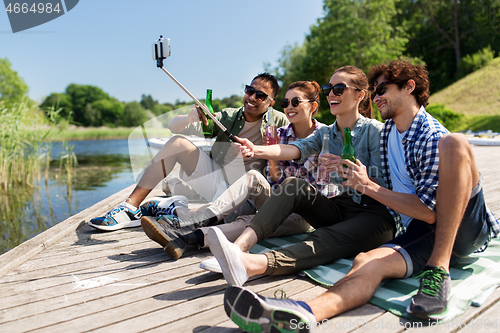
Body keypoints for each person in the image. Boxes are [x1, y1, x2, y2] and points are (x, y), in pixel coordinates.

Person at [221, 60, 500, 333]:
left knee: (456, 142)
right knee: (364, 262)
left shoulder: (414, 133)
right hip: (420, 229)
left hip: (463, 229)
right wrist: (256, 150)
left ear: (409, 87)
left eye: (382, 90)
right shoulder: (389, 131)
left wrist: (365, 182)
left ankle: (437, 270)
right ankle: (304, 312)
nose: (377, 97)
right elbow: (296, 148)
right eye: (375, 90)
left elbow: (428, 210)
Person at [206, 65, 397, 287]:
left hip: (374, 214)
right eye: (329, 89)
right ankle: (238, 249)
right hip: (342, 206)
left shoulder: (376, 131)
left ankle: (251, 265)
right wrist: (255, 149)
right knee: (293, 186)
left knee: (322, 237)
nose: (332, 94)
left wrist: (360, 177)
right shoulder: (326, 133)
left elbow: (389, 183)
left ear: (360, 95)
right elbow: (294, 149)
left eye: (339, 88)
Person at [140, 81, 335, 260]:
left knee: (252, 220)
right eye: (286, 103)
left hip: (305, 214)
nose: (289, 107)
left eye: (295, 102)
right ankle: (194, 223)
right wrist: (270, 155)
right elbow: (274, 179)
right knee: (253, 177)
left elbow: (328, 186)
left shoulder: (325, 136)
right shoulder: (279, 133)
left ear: (313, 106)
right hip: (276, 200)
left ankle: (187, 233)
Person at [88, 73, 288, 231]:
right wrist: (189, 117)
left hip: (248, 194)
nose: (252, 97)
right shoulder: (227, 116)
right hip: (217, 182)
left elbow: (292, 154)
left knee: (223, 218)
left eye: (260, 95)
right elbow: (173, 126)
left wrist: (260, 152)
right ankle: (130, 208)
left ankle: (171, 207)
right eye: (249, 90)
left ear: (270, 103)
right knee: (177, 143)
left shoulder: (279, 122)